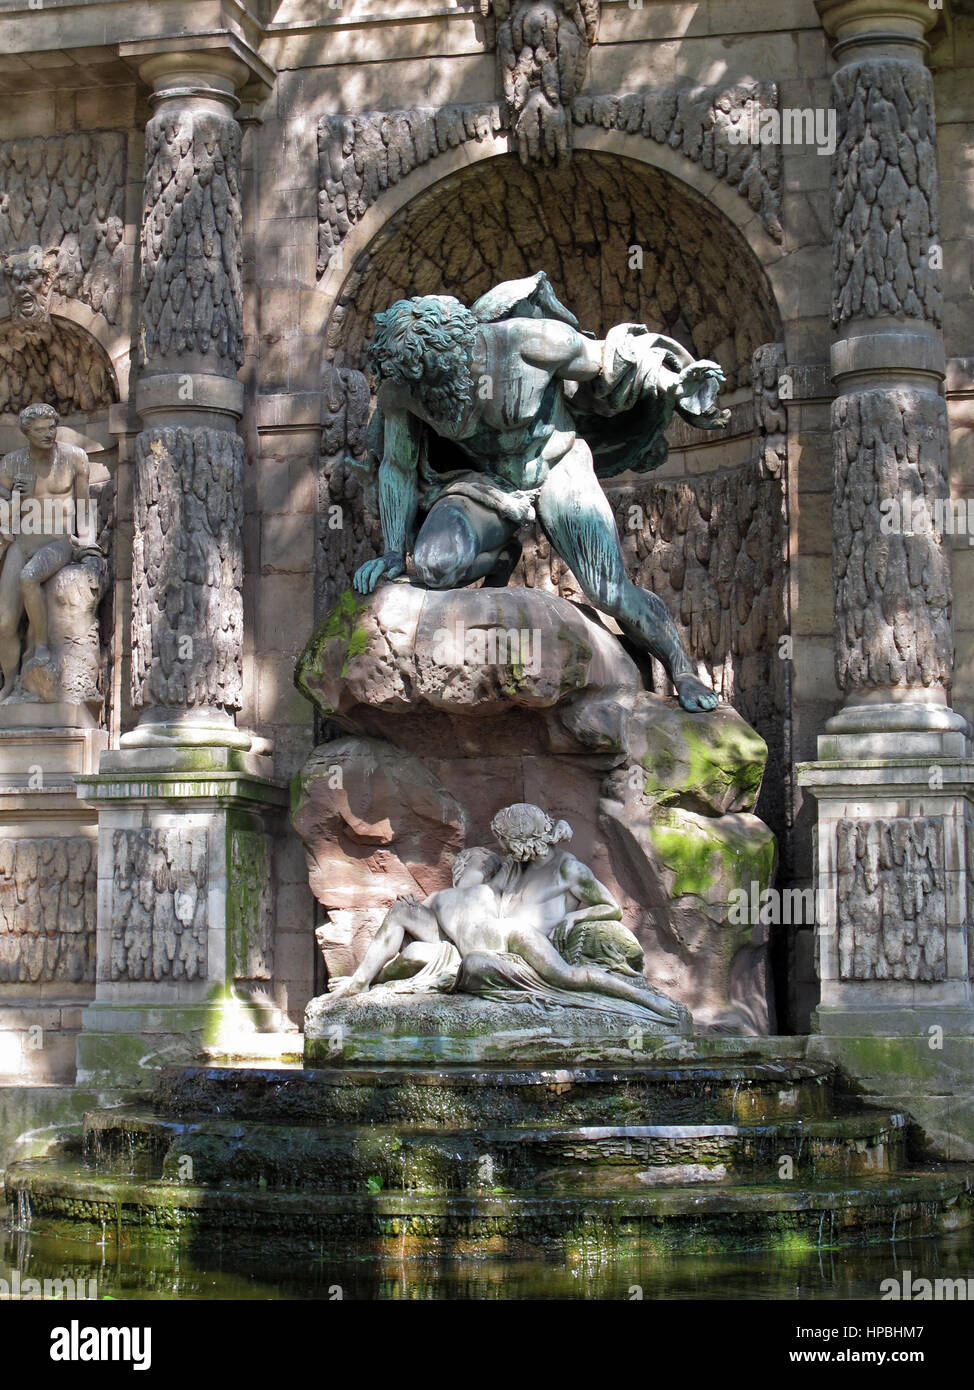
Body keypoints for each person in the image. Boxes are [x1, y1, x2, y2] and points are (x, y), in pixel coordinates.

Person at [351, 272, 728, 712]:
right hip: (483, 484)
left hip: (554, 464)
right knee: (433, 567)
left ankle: (681, 667)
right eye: (411, 388)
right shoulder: (406, 390)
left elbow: (606, 361)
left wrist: (670, 386)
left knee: (608, 591)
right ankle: (502, 554)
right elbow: (396, 466)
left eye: (426, 384)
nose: (419, 398)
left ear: (452, 357)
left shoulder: (529, 342)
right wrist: (394, 553)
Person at [325, 802, 686, 1026]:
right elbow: (474, 895)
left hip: (516, 939)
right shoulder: (506, 871)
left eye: (504, 843)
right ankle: (360, 981)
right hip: (473, 946)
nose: (499, 851)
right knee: (405, 917)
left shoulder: (567, 868)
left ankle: (650, 1002)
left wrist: (574, 919)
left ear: (520, 840)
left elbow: (608, 906)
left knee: (571, 977)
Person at [0, 403, 93, 702]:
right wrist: (16, 497)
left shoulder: (75, 458)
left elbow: (83, 506)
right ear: (26, 433)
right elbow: (3, 514)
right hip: (23, 541)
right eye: (40, 430)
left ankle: (40, 648)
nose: (48, 433)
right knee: (3, 622)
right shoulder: (12, 463)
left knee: (29, 578)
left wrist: (87, 542)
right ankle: (10, 683)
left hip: (57, 541)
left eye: (51, 427)